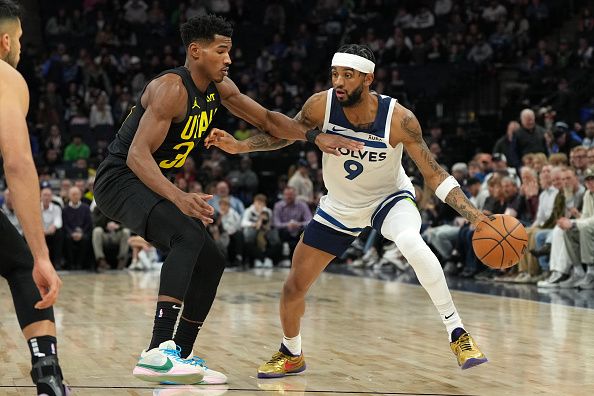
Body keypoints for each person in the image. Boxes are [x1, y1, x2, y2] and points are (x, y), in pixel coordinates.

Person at [93, 14, 361, 385]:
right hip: (118, 179)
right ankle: (156, 352)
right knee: (185, 237)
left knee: (212, 261)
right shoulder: (171, 88)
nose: (228, 59)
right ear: (196, 51)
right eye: (221, 51)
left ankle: (180, 356)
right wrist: (179, 196)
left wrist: (314, 137)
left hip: (146, 181)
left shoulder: (220, 89)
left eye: (229, 51)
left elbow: (267, 120)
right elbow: (137, 155)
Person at [207, 44, 489, 377]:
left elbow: (434, 174)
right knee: (293, 286)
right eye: (335, 74)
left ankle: (458, 333)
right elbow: (286, 134)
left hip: (390, 198)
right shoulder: (320, 104)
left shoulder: (399, 119)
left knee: (411, 241)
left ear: (368, 78)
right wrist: (240, 147)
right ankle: (291, 352)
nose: (339, 81)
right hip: (340, 206)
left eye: (348, 75)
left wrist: (475, 215)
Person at [0, 1, 68, 394]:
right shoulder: (6, 76)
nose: (21, 48)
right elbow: (19, 164)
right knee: (25, 266)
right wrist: (42, 255)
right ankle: (48, 378)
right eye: (21, 40)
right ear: (6, 40)